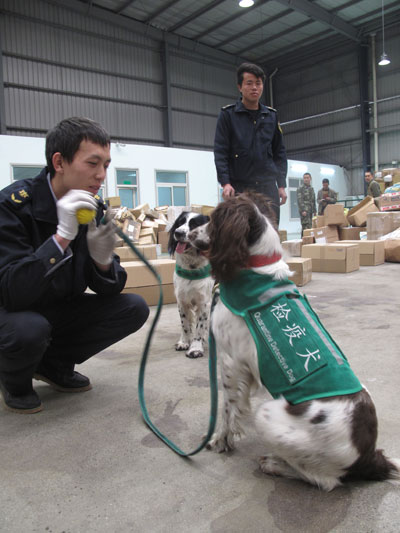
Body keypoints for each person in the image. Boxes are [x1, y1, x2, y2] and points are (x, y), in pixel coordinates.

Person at [0, 117, 149, 414]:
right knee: (30, 330)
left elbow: (109, 289)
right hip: (13, 312)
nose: (101, 175)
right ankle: (14, 381)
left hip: (58, 306)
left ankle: (52, 365)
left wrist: (103, 261)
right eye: (93, 163)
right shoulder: (13, 206)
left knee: (134, 307)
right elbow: (12, 291)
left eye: (106, 165)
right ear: (59, 162)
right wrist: (62, 238)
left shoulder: (91, 209)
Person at [214, 62, 287, 225]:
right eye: (249, 83)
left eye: (258, 83)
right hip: (240, 188)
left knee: (270, 234)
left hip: (268, 187)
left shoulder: (271, 116)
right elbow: (221, 152)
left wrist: (281, 185)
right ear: (240, 87)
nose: (254, 87)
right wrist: (225, 182)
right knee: (241, 234)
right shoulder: (228, 115)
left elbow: (279, 153)